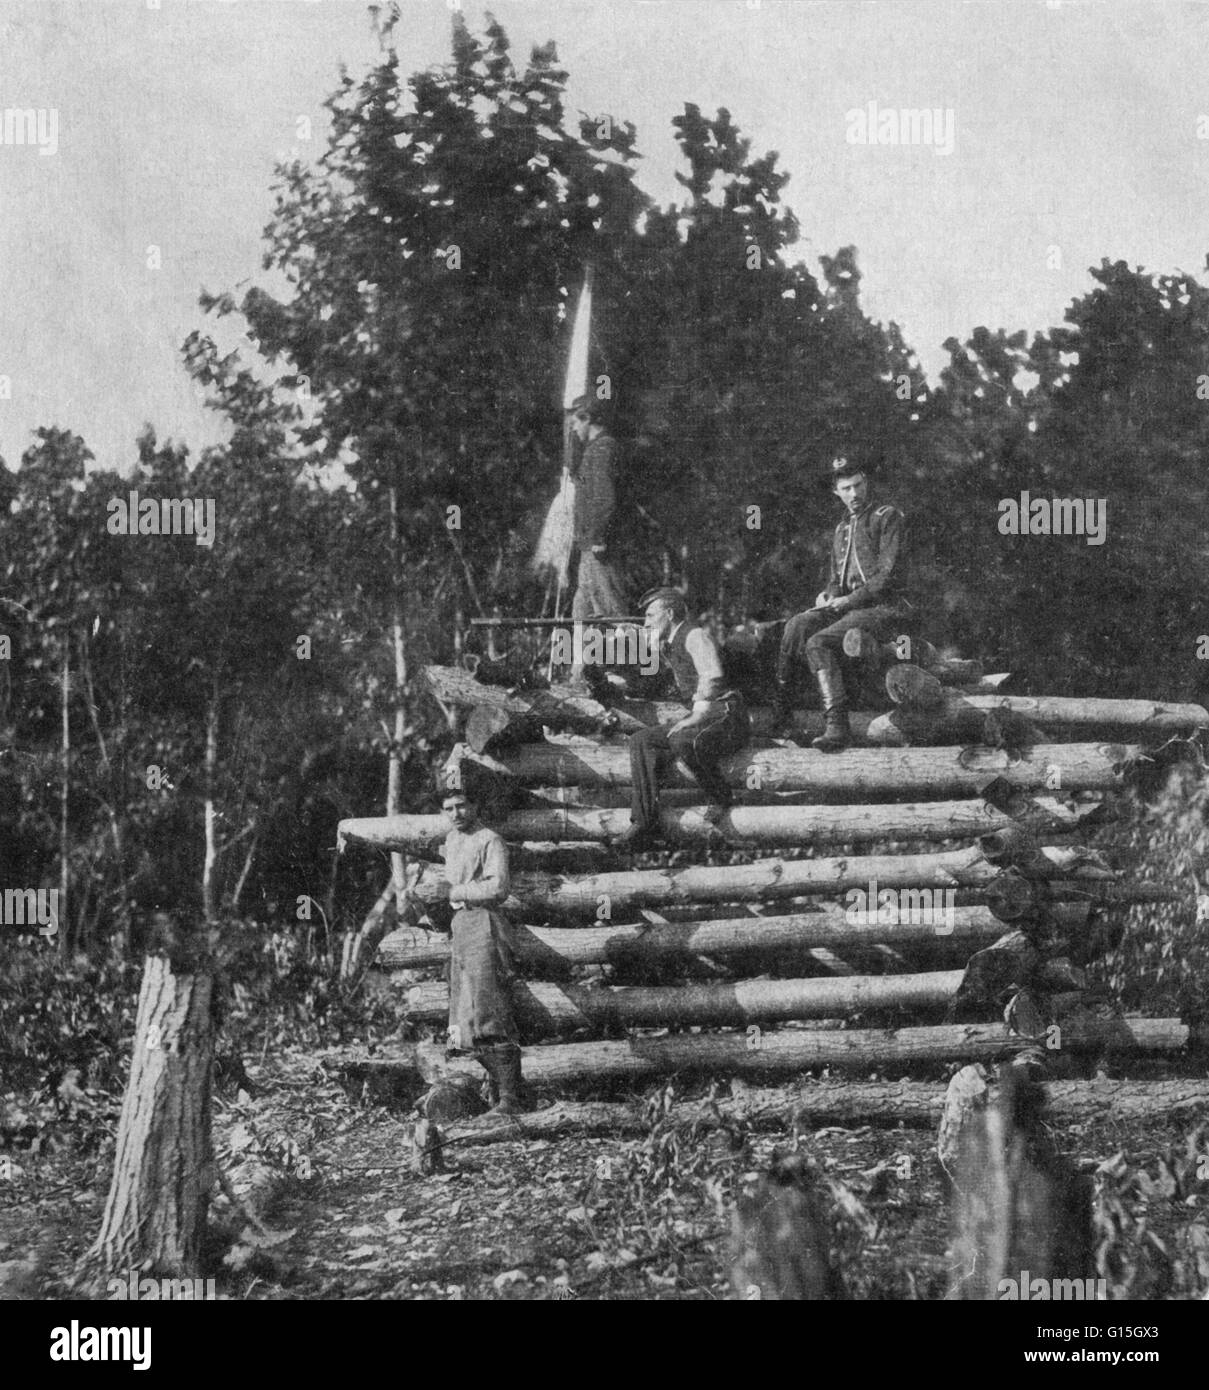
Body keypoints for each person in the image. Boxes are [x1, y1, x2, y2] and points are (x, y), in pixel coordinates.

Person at [772, 457, 909, 752]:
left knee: (817, 642)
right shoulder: (841, 528)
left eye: (858, 485)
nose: (854, 494)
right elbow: (837, 578)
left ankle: (837, 725)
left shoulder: (886, 517)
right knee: (797, 625)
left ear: (866, 483)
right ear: (836, 492)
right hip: (849, 608)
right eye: (846, 488)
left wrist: (849, 599)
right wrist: (826, 595)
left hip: (883, 609)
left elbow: (887, 575)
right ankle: (781, 710)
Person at [613, 587, 749, 849]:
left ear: (670, 613)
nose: (647, 622)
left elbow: (712, 676)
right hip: (707, 716)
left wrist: (695, 715)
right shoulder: (669, 642)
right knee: (642, 741)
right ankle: (644, 820)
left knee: (683, 740)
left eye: (651, 616)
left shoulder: (695, 635)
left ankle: (720, 796)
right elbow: (647, 668)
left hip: (726, 713)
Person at [422, 779, 524, 1118]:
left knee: (489, 1007)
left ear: (476, 805)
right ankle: (476, 1090)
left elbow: (498, 887)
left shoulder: (489, 839)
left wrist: (452, 891)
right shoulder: (451, 840)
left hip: (484, 922)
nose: (456, 813)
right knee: (461, 1014)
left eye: (462, 805)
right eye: (449, 808)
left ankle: (511, 1098)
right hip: (461, 926)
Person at [568, 395, 628, 625]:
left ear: (588, 419)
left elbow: (604, 498)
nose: (574, 428)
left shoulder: (603, 448)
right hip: (588, 546)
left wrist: (599, 537)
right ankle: (580, 661)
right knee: (581, 611)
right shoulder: (593, 449)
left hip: (598, 546)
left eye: (576, 422)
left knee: (610, 610)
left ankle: (626, 659)